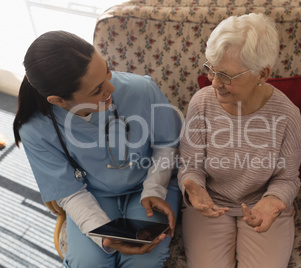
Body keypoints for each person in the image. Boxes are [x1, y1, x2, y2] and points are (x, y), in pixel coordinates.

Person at [13, 31, 182, 268]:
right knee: (88, 263)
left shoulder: (141, 89)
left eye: (107, 72)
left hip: (149, 186)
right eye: (97, 90)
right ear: (58, 100)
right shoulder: (36, 130)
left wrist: (154, 188)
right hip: (93, 195)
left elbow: (167, 143)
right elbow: (69, 192)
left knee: (144, 261)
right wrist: (105, 235)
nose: (111, 88)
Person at [178, 13, 301, 267]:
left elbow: (287, 178)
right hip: (211, 203)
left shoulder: (288, 115)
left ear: (262, 74)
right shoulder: (201, 103)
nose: (215, 83)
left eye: (226, 76)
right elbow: (190, 165)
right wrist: (193, 187)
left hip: (262, 202)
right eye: (212, 70)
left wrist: (273, 202)